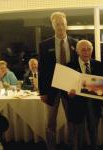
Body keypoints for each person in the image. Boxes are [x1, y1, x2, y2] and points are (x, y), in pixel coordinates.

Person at [38, 11, 78, 150]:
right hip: (50, 89)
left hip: (70, 89)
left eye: (62, 24)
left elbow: (79, 68)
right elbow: (41, 70)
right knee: (50, 124)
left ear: (66, 24)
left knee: (72, 121)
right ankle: (51, 148)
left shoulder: (75, 43)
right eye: (57, 24)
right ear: (52, 25)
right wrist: (42, 91)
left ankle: (73, 146)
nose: (60, 27)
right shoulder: (44, 45)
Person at [67, 40, 103, 150]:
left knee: (94, 133)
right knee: (78, 136)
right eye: (83, 50)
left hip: (94, 105)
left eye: (89, 49)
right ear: (77, 51)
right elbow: (64, 89)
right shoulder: (70, 66)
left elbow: (102, 86)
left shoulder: (98, 65)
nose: (86, 52)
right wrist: (69, 94)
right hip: (76, 105)